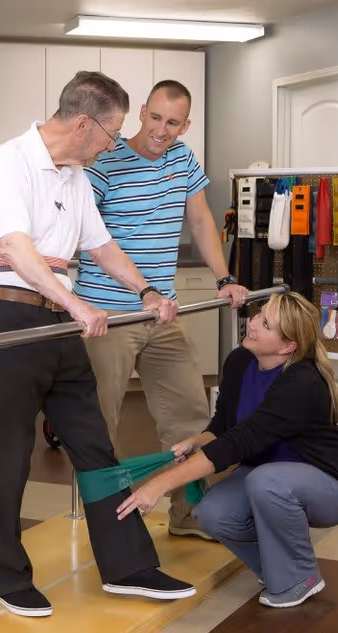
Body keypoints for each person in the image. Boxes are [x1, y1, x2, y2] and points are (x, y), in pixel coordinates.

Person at [0, 71, 197, 619]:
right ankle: (6, 575)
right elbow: (17, 249)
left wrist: (145, 290)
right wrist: (77, 305)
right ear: (82, 124)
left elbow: (100, 245)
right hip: (11, 319)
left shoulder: (74, 175)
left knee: (95, 447)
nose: (115, 144)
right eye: (111, 133)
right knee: (9, 454)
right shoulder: (10, 162)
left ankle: (127, 566)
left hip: (60, 325)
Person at [115, 291, 338, 609]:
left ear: (287, 345)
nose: (252, 323)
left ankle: (301, 577)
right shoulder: (241, 361)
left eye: (266, 323)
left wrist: (158, 485)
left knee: (266, 482)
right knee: (211, 513)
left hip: (328, 485)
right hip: (264, 475)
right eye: (258, 315)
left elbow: (238, 444)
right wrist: (198, 441)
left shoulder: (301, 383)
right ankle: (278, 570)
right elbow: (224, 427)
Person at [74, 79, 250, 539]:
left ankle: (189, 514)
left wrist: (224, 277)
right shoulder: (103, 163)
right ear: (142, 114)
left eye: (173, 122)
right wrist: (141, 290)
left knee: (191, 414)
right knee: (101, 424)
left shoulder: (183, 158)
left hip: (162, 315)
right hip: (109, 315)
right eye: (155, 118)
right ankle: (107, 524)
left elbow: (200, 218)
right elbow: (93, 242)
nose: (161, 130)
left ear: (185, 124)